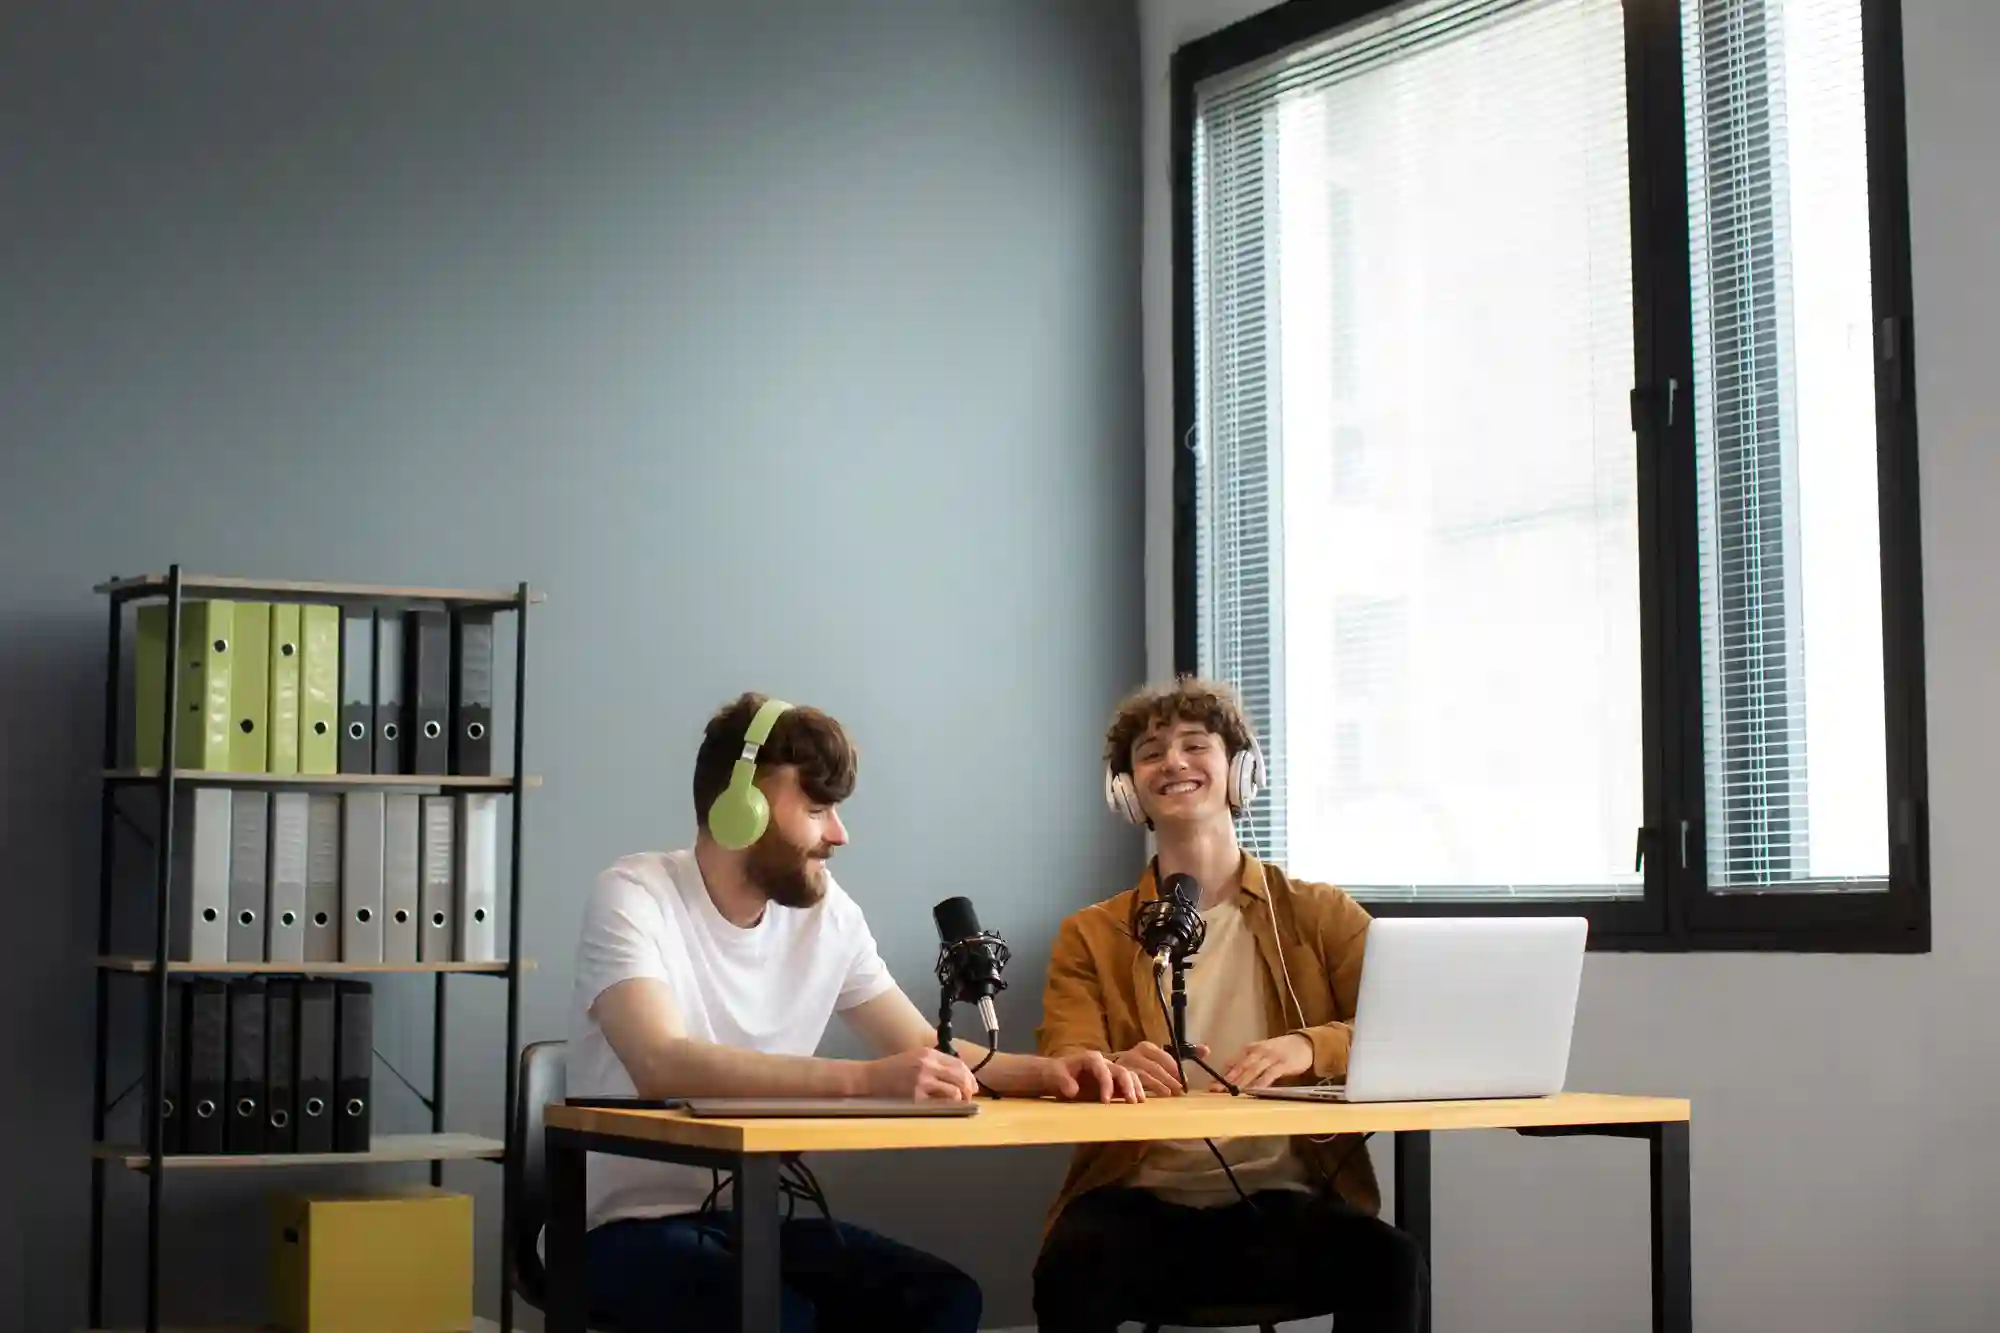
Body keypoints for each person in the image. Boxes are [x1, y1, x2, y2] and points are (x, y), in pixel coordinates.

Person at [569, 691, 1141, 1333]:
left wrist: (1051, 1073)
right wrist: (867, 1079)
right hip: (618, 1233)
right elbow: (661, 1062)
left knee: (944, 1300)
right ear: (740, 810)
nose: (839, 833)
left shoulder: (827, 914)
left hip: (752, 1220)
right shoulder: (634, 894)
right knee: (780, 1320)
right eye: (816, 809)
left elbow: (926, 1044)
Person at [1031, 676, 1429, 1332]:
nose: (1175, 762)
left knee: (1392, 1262)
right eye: (1152, 751)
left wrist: (1311, 1045)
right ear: (1127, 789)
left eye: (1196, 744)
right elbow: (1063, 1055)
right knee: (1068, 1269)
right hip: (1136, 1203)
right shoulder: (1090, 934)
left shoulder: (1319, 912)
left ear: (1240, 770)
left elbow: (1407, 1029)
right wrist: (1108, 1062)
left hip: (1286, 1203)